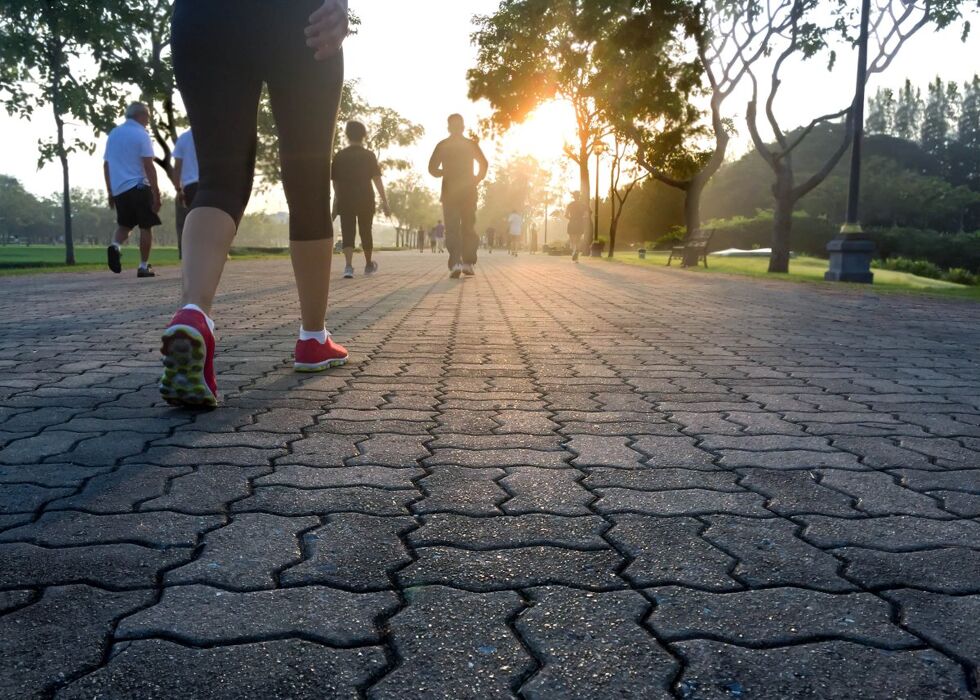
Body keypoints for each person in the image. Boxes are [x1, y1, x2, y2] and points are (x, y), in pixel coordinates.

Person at [159, 0, 349, 408]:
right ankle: (313, 339)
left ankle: (193, 314)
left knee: (218, 180)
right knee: (309, 181)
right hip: (298, 17)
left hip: (204, 18)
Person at [103, 102, 162, 278]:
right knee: (146, 226)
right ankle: (143, 266)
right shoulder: (141, 134)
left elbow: (106, 165)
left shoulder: (113, 134)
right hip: (139, 185)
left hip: (119, 188)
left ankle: (115, 246)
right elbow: (148, 165)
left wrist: (110, 191)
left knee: (125, 225)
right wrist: (156, 193)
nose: (148, 121)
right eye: (148, 117)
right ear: (141, 115)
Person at [428, 114, 488, 278]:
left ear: (448, 127)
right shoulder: (470, 145)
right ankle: (468, 263)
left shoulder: (443, 145)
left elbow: (432, 169)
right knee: (468, 226)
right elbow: (484, 164)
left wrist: (444, 172)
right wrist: (476, 179)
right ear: (463, 127)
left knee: (453, 229)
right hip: (468, 191)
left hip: (449, 193)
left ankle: (456, 263)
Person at [331, 120, 390, 279]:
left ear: (347, 135)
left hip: (346, 199)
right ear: (363, 135)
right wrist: (385, 201)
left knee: (347, 231)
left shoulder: (340, 156)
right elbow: (377, 180)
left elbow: (335, 182)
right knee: (366, 231)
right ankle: (368, 264)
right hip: (366, 198)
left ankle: (348, 267)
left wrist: (337, 199)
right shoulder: (369, 156)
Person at [172, 128, 199, 258]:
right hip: (209, 185)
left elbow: (177, 166)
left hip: (190, 186)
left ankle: (186, 254)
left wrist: (178, 189)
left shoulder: (183, 138)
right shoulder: (211, 136)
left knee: (187, 222)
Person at [566, 192, 589, 262]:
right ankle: (577, 257)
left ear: (573, 197)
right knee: (578, 240)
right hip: (580, 223)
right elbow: (586, 215)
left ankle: (574, 251)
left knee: (572, 239)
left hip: (572, 222)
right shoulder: (583, 205)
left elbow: (566, 215)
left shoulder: (570, 205)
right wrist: (581, 218)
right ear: (579, 197)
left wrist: (571, 218)